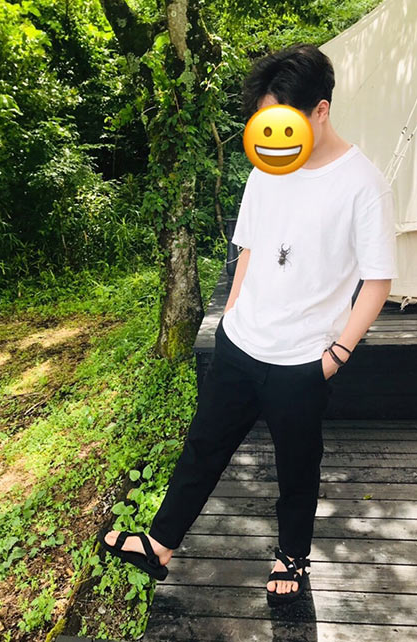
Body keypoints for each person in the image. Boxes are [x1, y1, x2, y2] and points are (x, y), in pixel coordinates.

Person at [97, 42, 399, 604]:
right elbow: (249, 246)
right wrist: (231, 315)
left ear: (320, 110)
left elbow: (377, 280)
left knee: (297, 468)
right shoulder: (267, 166)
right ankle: (159, 544)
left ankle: (293, 557)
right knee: (203, 445)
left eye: (282, 121)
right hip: (240, 343)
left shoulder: (364, 184)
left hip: (302, 362)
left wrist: (336, 355)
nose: (272, 136)